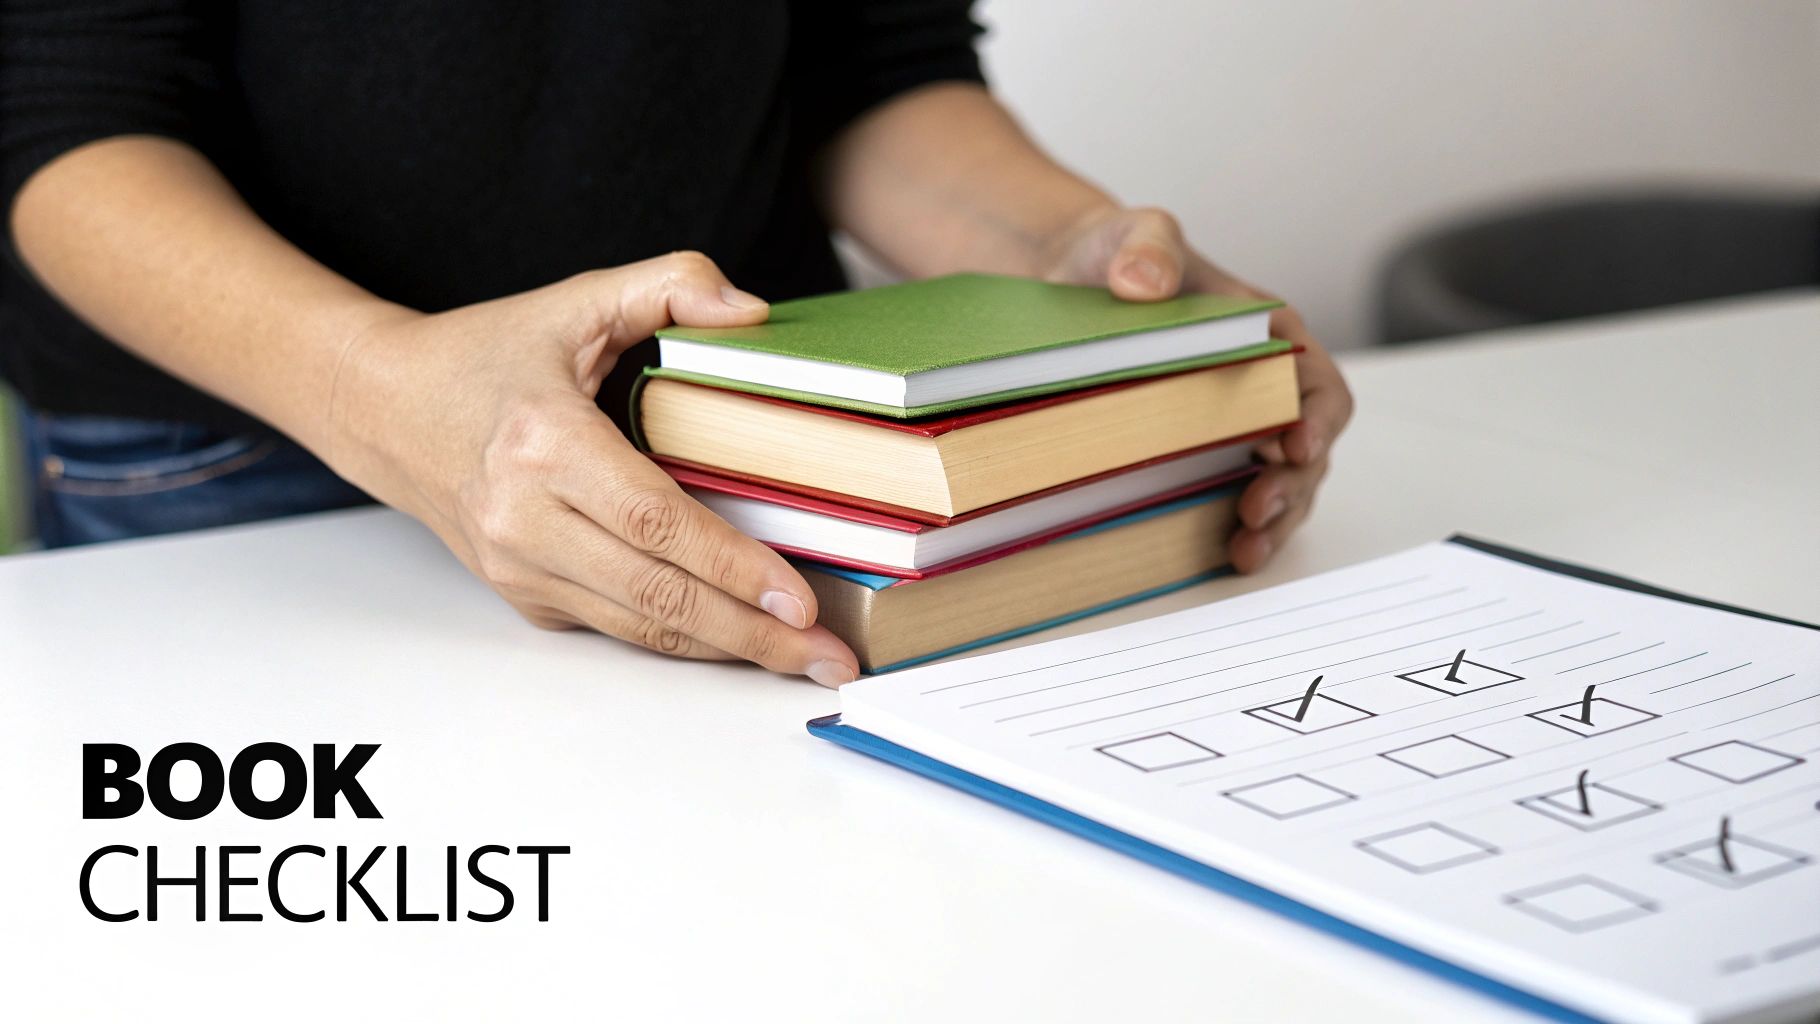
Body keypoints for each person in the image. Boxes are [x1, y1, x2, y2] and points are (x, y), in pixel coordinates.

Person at [0, 2, 1350, 687]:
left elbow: (869, 61)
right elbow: (59, 107)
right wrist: (373, 389)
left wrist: (1072, 258)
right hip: (244, 442)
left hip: (747, 433)